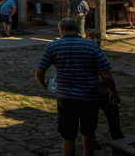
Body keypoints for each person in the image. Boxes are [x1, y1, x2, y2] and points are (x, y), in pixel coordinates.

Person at [36, 18, 120, 156]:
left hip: (66, 98)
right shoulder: (92, 46)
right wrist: (113, 93)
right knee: (88, 132)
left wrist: (45, 86)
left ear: (61, 30)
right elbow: (106, 75)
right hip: (90, 97)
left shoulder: (52, 47)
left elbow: (39, 73)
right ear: (78, 30)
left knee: (68, 136)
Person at [85, 29, 125, 144]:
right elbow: (106, 75)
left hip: (101, 90)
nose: (96, 40)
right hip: (92, 91)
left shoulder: (99, 51)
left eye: (98, 37)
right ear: (86, 37)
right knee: (91, 118)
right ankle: (92, 141)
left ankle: (116, 135)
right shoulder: (89, 51)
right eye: (92, 38)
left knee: (112, 112)